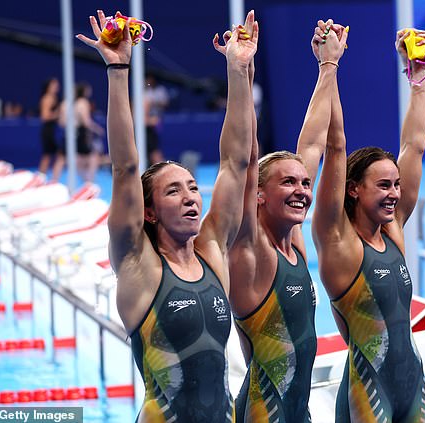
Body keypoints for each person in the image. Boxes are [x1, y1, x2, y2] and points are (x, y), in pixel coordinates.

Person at [77, 9, 258, 422]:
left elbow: (235, 163)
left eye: (193, 187)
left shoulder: (212, 250)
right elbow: (124, 169)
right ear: (151, 213)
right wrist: (119, 69)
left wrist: (237, 68)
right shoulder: (138, 264)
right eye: (173, 192)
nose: (192, 197)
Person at [215, 19, 347, 422]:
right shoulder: (252, 250)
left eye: (304, 183)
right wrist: (241, 73)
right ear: (257, 194)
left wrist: (328, 66)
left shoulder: (295, 244)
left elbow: (312, 143)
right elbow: (243, 158)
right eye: (287, 183)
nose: (302, 191)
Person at [312, 28, 425, 422]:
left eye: (397, 184)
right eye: (383, 185)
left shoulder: (393, 230)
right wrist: (329, 66)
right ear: (353, 190)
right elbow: (335, 146)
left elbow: (415, 146)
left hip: (413, 385)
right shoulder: (338, 242)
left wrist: (417, 77)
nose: (395, 193)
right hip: (367, 393)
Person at [58, 82, 105, 183]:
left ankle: (86, 180)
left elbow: (61, 122)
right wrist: (97, 129)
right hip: (80, 133)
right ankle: (89, 181)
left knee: (72, 158)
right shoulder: (82, 103)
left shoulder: (65, 104)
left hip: (69, 133)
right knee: (92, 156)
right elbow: (86, 121)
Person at [38, 78, 65, 181]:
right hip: (48, 131)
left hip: (53, 130)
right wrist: (58, 114)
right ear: (49, 86)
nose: (57, 86)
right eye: (54, 84)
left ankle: (52, 179)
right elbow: (44, 116)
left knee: (54, 156)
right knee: (48, 156)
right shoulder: (47, 98)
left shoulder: (54, 98)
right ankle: (42, 179)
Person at [144, 73, 168, 165]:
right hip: (146, 132)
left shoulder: (158, 91)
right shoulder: (144, 98)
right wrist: (153, 121)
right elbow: (141, 120)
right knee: (155, 155)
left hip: (149, 131)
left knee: (154, 155)